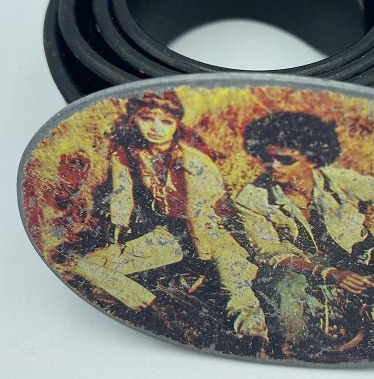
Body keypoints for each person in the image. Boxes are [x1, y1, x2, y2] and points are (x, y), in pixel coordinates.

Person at [234, 111, 374, 357]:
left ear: (312, 159)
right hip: (302, 273)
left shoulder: (344, 180)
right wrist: (328, 273)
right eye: (266, 157)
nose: (273, 166)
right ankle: (295, 352)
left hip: (363, 265)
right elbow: (271, 253)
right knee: (284, 291)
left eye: (285, 159)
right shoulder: (251, 198)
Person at [67, 92, 268, 348]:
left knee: (235, 284)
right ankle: (156, 308)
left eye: (166, 121)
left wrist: (205, 260)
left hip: (214, 233)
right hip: (172, 234)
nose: (156, 128)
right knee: (88, 265)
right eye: (147, 118)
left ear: (176, 124)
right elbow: (122, 194)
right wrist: (117, 231)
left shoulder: (191, 159)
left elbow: (197, 211)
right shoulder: (126, 153)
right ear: (134, 119)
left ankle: (254, 340)